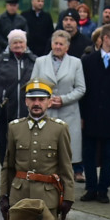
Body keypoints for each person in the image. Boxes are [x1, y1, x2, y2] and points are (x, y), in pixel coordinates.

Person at [0, 79, 74, 220]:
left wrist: (68, 197)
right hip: (19, 197)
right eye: (32, 99)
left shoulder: (59, 129)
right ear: (26, 101)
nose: (36, 103)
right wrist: (4, 195)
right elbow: (8, 166)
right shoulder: (15, 128)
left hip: (48, 198)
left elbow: (66, 166)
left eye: (41, 99)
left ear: (49, 102)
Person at [78, 23, 110, 203]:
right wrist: (82, 116)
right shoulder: (88, 61)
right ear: (105, 38)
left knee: (109, 155)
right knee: (89, 154)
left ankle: (103, 189)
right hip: (91, 116)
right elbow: (82, 91)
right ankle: (91, 188)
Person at [31, 31, 85, 182]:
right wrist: (45, 101)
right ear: (51, 44)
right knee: (45, 152)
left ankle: (64, 186)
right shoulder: (40, 62)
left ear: (67, 47)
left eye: (61, 44)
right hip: (46, 113)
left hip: (68, 113)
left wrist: (63, 99)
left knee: (65, 154)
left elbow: (81, 89)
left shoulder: (76, 63)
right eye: (56, 43)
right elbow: (33, 86)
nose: (58, 47)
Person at [0, 29, 36, 166]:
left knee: (24, 144)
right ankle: (5, 171)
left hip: (25, 111)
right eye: (15, 42)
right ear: (10, 45)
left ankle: (20, 172)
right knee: (4, 143)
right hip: (4, 111)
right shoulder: (1, 60)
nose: (18, 45)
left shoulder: (33, 61)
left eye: (20, 42)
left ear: (25, 44)